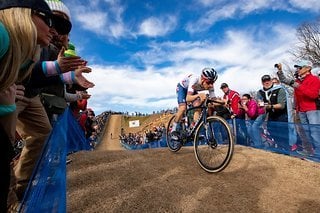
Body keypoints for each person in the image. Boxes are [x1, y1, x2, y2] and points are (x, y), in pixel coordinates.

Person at [0, 0, 60, 211]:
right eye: (49, 20)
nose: (54, 30)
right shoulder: (3, 34)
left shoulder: (30, 47)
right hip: (15, 98)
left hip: (24, 96)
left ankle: (21, 187)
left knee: (41, 134)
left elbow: (33, 75)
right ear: (27, 14)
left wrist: (65, 72)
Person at [276, 61, 320, 156]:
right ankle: (308, 151)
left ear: (307, 68)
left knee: (315, 132)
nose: (297, 70)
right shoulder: (298, 81)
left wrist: (298, 86)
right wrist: (280, 71)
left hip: (312, 109)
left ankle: (318, 153)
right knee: (304, 132)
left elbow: (313, 95)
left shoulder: (314, 79)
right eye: (297, 68)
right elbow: (284, 80)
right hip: (300, 110)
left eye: (300, 68)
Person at [170, 68, 218, 139]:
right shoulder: (194, 79)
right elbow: (188, 98)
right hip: (182, 88)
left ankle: (193, 130)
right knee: (183, 108)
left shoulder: (210, 86)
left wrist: (223, 102)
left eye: (213, 82)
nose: (211, 85)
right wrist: (199, 95)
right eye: (209, 82)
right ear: (202, 79)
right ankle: (173, 130)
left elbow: (214, 100)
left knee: (198, 106)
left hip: (192, 90)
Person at [256, 74, 290, 150]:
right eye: (264, 81)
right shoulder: (260, 92)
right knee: (271, 130)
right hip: (271, 115)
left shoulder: (279, 89)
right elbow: (260, 101)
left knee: (283, 132)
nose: (266, 82)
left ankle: (286, 149)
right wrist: (260, 104)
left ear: (271, 81)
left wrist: (270, 106)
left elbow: (282, 105)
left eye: (268, 80)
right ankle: (279, 146)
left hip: (281, 114)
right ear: (262, 83)